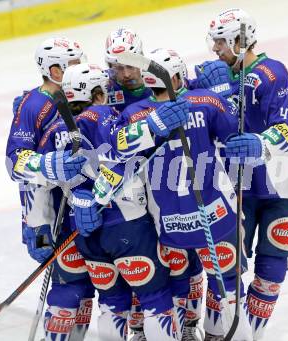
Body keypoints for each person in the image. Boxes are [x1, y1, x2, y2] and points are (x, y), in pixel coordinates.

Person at [95, 48, 256, 340]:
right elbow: (234, 139)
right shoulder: (207, 101)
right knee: (230, 288)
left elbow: (117, 151)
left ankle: (185, 332)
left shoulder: (134, 114)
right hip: (215, 216)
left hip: (169, 222)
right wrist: (226, 92)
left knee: (179, 282)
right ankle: (218, 333)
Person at [40, 62, 186, 341]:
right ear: (97, 93)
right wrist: (155, 125)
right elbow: (121, 153)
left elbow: (43, 177)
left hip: (85, 234)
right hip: (126, 225)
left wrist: (81, 201)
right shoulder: (103, 115)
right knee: (156, 301)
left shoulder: (55, 130)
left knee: (111, 305)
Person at [196, 8, 288, 340]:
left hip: (283, 182)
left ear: (239, 40)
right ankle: (218, 334)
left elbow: (286, 129)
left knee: (272, 271)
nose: (215, 49)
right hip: (235, 183)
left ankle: (250, 337)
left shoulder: (273, 74)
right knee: (226, 266)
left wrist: (260, 142)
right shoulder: (214, 76)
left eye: (220, 42)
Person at [104, 27, 205, 340]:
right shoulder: (104, 89)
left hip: (169, 180)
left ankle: (188, 323)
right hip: (131, 186)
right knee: (143, 260)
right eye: (116, 67)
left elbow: (189, 88)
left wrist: (213, 81)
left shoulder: (157, 76)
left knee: (183, 255)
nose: (123, 73)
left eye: (128, 65)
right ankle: (143, 325)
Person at [5, 37, 93, 340]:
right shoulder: (34, 104)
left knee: (89, 287)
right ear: (53, 70)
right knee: (69, 286)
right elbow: (14, 162)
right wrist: (49, 166)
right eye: (72, 63)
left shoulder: (83, 92)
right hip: (54, 207)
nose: (80, 68)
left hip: (88, 203)